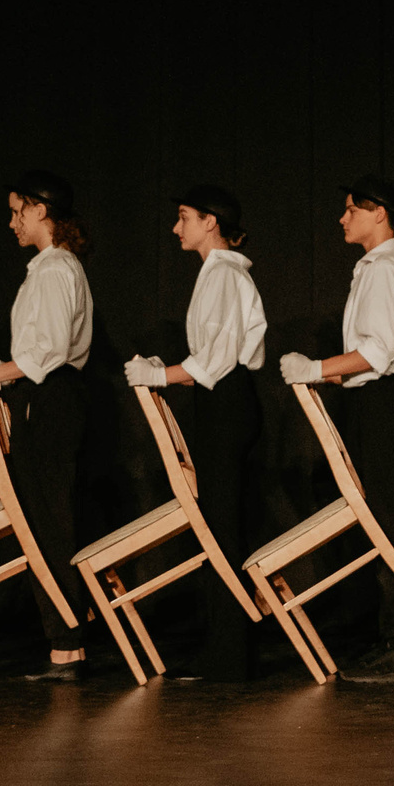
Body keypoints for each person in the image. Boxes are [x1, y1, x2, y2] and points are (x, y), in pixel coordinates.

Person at [280, 176, 394, 685]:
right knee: (382, 521)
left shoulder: (386, 268)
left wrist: (315, 367)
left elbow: (377, 351)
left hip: (387, 402)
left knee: (393, 522)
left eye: (352, 210)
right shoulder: (373, 268)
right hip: (374, 401)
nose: (343, 218)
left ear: (380, 214)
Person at [124, 184, 267, 681]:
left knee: (222, 525)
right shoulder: (215, 274)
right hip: (219, 402)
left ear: (211, 222)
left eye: (184, 217)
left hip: (228, 403)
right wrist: (167, 367)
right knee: (216, 522)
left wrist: (162, 376)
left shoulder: (225, 274)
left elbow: (219, 359)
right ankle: (224, 647)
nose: (175, 227)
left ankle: (231, 653)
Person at [0, 171, 95, 680]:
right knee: (44, 520)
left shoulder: (56, 268)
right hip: (48, 399)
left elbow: (50, 351)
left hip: (53, 400)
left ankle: (66, 646)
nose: (12, 221)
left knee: (50, 521)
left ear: (41, 210)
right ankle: (66, 645)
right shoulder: (49, 268)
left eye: (19, 210)